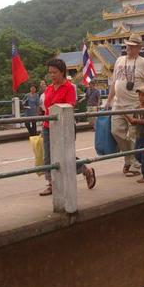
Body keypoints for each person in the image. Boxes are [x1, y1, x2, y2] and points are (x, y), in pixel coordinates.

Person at [39, 59, 96, 196]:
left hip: (64, 127)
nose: (52, 75)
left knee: (66, 155)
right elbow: (45, 108)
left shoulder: (69, 88)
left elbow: (70, 106)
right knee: (48, 156)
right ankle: (51, 183)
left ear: (62, 72)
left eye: (55, 72)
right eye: (50, 73)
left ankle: (86, 171)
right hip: (48, 126)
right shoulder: (49, 88)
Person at [105, 33, 144, 177]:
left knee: (134, 136)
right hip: (118, 105)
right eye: (128, 45)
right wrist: (109, 101)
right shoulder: (119, 60)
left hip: (135, 105)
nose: (130, 48)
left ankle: (134, 164)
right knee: (116, 132)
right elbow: (114, 82)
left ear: (139, 48)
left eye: (133, 46)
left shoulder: (143, 63)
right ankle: (130, 159)